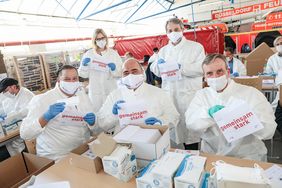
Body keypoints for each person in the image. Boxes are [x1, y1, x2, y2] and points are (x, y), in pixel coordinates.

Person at [185, 54, 277, 161]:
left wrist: (248, 119)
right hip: (213, 155)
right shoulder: (201, 96)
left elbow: (269, 131)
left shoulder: (250, 94)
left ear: (228, 72)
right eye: (209, 73)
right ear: (204, 77)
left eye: (220, 71)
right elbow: (191, 124)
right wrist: (207, 113)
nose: (215, 77)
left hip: (247, 156)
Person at [150, 17, 205, 149]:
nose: (173, 33)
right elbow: (155, 70)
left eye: (176, 29)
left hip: (189, 96)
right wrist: (158, 64)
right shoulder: (163, 51)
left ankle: (194, 158)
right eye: (170, 30)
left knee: (190, 132)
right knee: (173, 131)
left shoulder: (196, 47)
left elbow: (201, 68)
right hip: (170, 95)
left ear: (182, 29)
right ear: (166, 33)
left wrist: (181, 67)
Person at [20, 65, 96, 161]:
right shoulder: (42, 100)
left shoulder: (82, 96)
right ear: (59, 81)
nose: (72, 82)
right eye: (67, 79)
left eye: (74, 79)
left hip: (83, 150)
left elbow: (95, 127)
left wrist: (93, 122)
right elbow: (25, 134)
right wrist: (45, 117)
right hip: (57, 157)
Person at [96, 58, 180, 135]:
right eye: (126, 73)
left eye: (134, 71)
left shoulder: (158, 93)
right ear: (122, 77)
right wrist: (113, 114)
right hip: (124, 142)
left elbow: (174, 116)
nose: (130, 75)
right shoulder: (114, 96)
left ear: (142, 73)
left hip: (153, 139)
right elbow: (102, 123)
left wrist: (161, 122)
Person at [78, 28, 123, 111]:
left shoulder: (113, 53)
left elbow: (120, 73)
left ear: (106, 38)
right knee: (97, 113)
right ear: (94, 41)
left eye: (102, 38)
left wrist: (114, 69)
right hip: (95, 91)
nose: (101, 41)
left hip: (110, 89)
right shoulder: (89, 54)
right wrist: (84, 66)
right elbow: (83, 75)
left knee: (112, 113)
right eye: (98, 39)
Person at [0, 78, 34, 160]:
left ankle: (19, 160)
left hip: (24, 132)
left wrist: (10, 117)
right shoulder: (12, 96)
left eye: (5, 91)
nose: (5, 93)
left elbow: (25, 113)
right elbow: (5, 110)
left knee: (9, 150)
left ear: (13, 87)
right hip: (13, 132)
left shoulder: (26, 95)